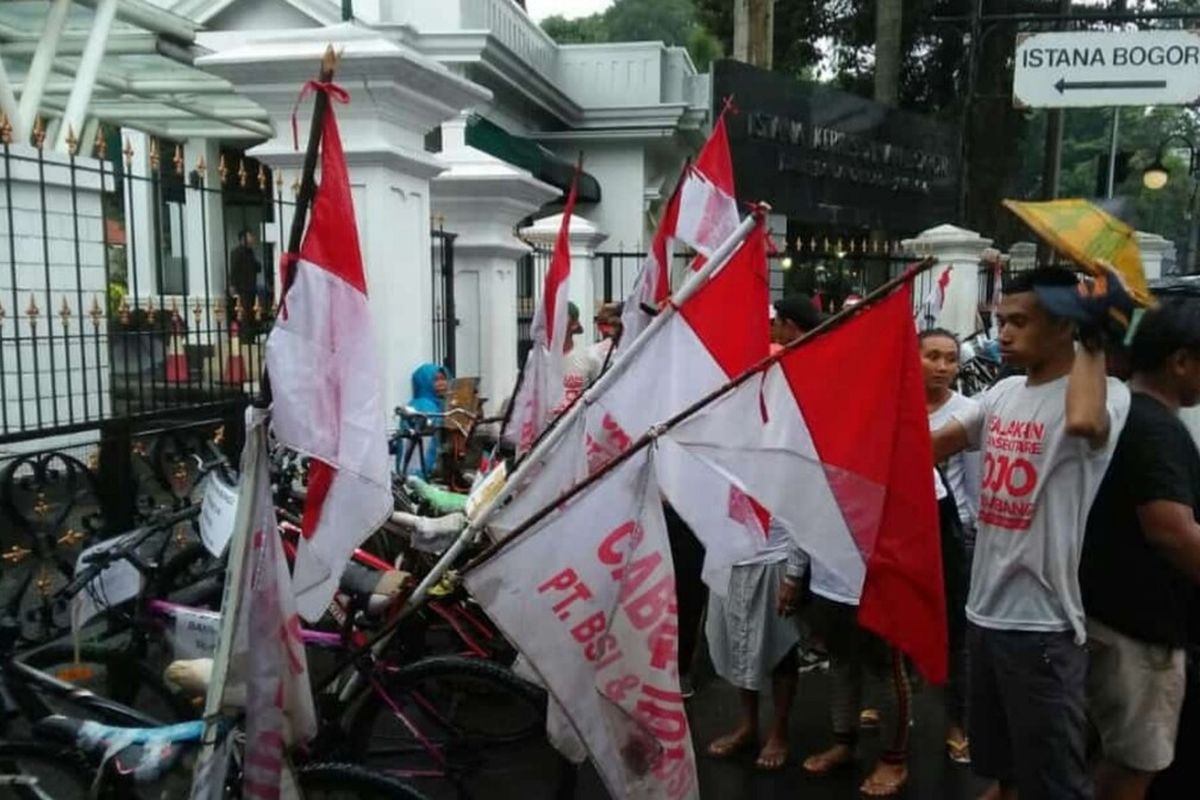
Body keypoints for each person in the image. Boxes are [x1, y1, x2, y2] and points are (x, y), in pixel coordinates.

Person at [932, 266, 1133, 800]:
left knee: (1054, 780)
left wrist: (1093, 333)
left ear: (1064, 325)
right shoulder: (1003, 394)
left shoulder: (1106, 392)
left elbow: (1086, 423)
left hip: (1041, 626)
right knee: (999, 761)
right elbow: (932, 445)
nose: (1003, 335)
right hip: (983, 613)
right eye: (1001, 321)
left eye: (1019, 322)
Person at [1080, 298, 1200, 800]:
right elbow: (1170, 529)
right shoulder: (1156, 428)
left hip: (1102, 611)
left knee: (1092, 753)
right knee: (1132, 767)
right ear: (1179, 361)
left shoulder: (1122, 410)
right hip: (1140, 633)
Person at [705, 298, 821, 771]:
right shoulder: (732, 423)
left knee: (780, 649)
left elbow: (801, 502)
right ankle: (748, 723)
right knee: (739, 643)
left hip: (775, 557)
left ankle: (779, 730)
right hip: (735, 552)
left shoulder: (792, 430)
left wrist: (795, 571)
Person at [921, 328, 982, 764]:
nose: (943, 367)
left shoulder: (969, 413)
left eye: (950, 359)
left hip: (952, 535)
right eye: (933, 357)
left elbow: (976, 486)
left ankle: (956, 723)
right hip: (904, 532)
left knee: (955, 636)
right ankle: (889, 698)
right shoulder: (897, 404)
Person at [400, 362, 450, 478]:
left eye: (444, 379)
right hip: (420, 470)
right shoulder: (425, 405)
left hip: (412, 469)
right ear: (424, 383)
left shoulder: (437, 405)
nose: (442, 384)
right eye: (436, 380)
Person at [557, 302, 602, 411]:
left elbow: (601, 399)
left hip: (577, 426)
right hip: (546, 427)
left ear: (574, 325)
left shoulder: (590, 359)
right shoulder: (536, 361)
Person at [228, 228, 261, 325]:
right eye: (250, 236)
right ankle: (244, 337)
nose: (252, 239)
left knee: (251, 314)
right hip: (242, 288)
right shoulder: (237, 252)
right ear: (243, 239)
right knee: (244, 314)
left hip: (251, 287)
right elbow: (234, 269)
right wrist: (232, 285)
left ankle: (250, 337)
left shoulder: (250, 252)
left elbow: (257, 267)